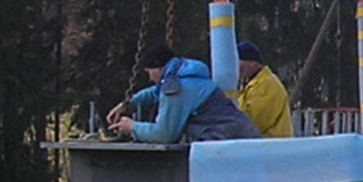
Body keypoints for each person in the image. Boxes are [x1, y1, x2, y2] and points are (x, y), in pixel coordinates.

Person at [107, 45, 260, 143]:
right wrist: (128, 104)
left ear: (157, 69)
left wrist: (132, 127)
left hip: (230, 142)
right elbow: (155, 93)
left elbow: (164, 134)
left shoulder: (176, 89)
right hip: (244, 135)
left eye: (149, 72)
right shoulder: (187, 76)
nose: (149, 78)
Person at [235, 42, 293, 138]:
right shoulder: (250, 86)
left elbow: (252, 122)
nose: (237, 69)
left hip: (271, 149)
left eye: (240, 65)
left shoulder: (267, 85)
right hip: (264, 148)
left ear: (253, 63)